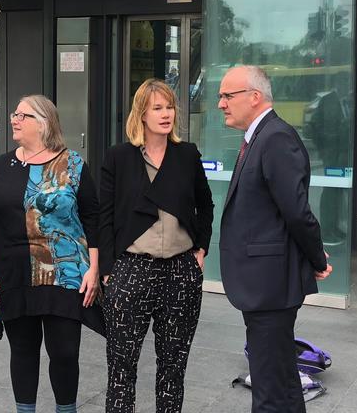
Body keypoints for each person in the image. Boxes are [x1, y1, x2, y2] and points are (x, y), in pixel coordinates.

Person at [0, 94, 102, 413]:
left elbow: (93, 218)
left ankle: (66, 409)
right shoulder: (5, 164)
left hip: (65, 273)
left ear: (44, 124)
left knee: (65, 352)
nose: (14, 119)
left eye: (22, 115)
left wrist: (95, 268)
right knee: (23, 350)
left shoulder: (73, 164)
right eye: (14, 114)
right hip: (13, 274)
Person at [217, 65, 333, 413]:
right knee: (281, 379)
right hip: (263, 284)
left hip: (270, 285)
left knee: (269, 388)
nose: (221, 103)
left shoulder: (275, 137)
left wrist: (316, 258)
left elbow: (296, 211)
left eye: (227, 95)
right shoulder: (261, 136)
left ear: (255, 97)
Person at [99, 78, 214, 413]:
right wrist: (109, 270)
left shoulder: (187, 155)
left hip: (181, 272)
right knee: (121, 370)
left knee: (173, 370)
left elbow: (205, 205)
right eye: (157, 108)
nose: (166, 114)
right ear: (142, 114)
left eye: (170, 107)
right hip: (131, 270)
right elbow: (104, 216)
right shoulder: (119, 157)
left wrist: (201, 250)